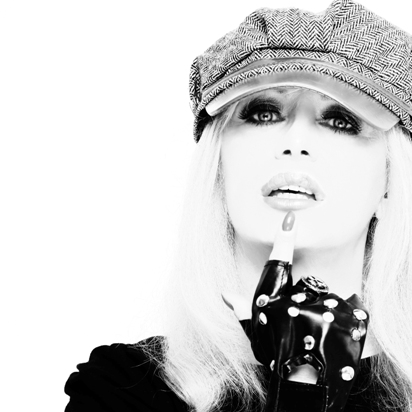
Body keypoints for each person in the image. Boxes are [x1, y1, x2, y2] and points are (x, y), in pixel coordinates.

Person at [64, 0, 412, 410]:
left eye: (341, 121)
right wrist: (300, 382)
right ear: (218, 164)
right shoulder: (121, 387)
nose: (295, 142)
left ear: (390, 183)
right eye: (263, 113)